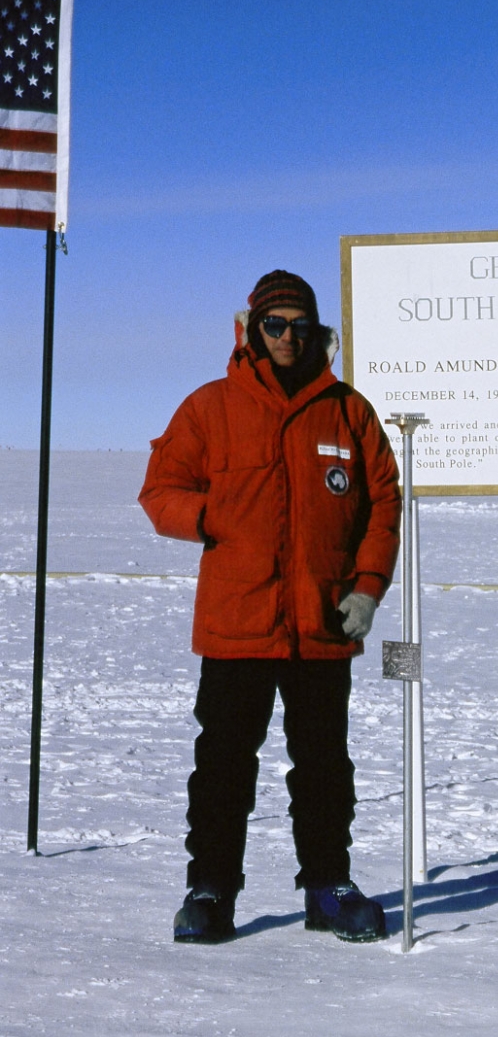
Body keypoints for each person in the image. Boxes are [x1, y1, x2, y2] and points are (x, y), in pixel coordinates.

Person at [139, 270, 401, 944]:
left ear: (319, 334)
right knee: (224, 762)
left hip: (321, 622)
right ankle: (209, 891)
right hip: (237, 624)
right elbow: (161, 491)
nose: (288, 337)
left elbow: (382, 505)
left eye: (300, 326)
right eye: (275, 324)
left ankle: (328, 888)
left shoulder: (348, 411)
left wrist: (368, 587)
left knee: (323, 764)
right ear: (252, 329)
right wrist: (212, 513)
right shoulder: (211, 407)